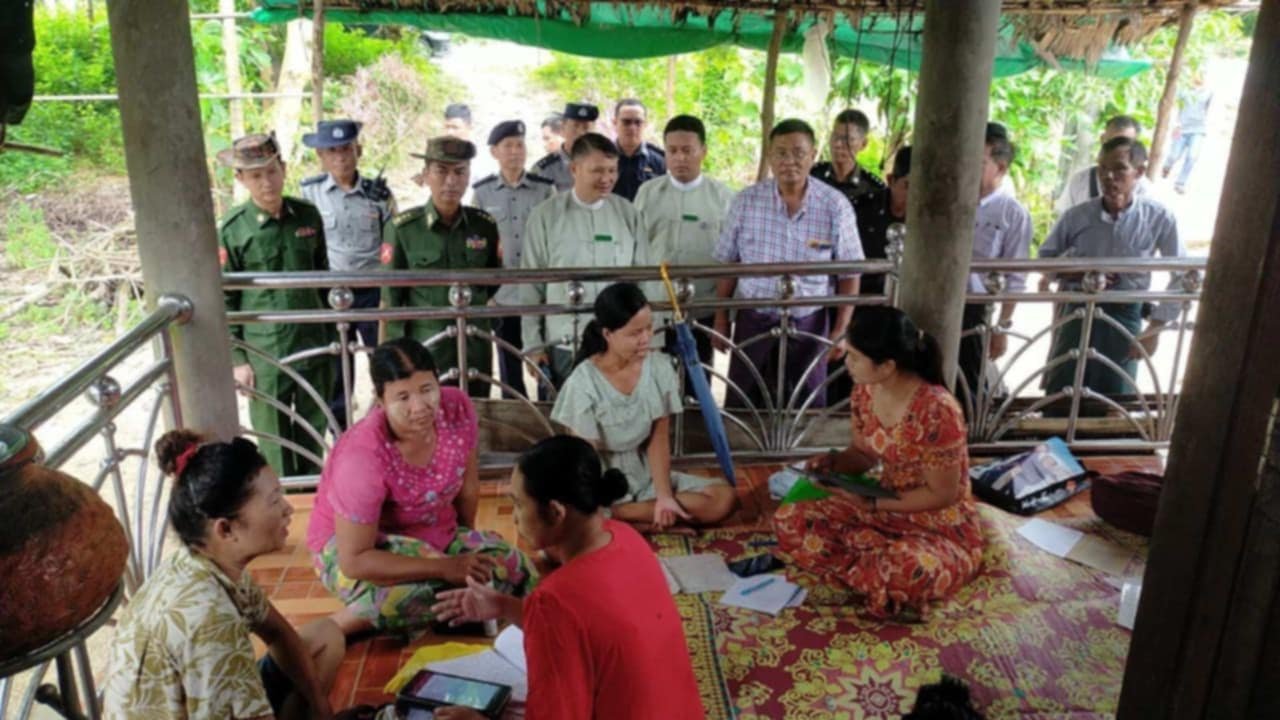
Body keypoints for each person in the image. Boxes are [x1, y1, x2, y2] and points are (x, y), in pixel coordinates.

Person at [429, 435, 705, 720]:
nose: (515, 517)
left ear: (555, 512)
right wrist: (503, 606)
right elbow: (585, 625)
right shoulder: (626, 537)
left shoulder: (554, 601)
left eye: (519, 504)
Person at [105, 430, 344, 720]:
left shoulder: (209, 564)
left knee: (325, 636)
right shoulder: (209, 618)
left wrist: (320, 706)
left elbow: (278, 633)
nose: (288, 509)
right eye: (274, 501)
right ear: (226, 529)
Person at [306, 338, 537, 636]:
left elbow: (468, 488)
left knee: (515, 566)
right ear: (380, 400)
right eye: (402, 397)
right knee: (418, 593)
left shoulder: (456, 409)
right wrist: (447, 568)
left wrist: (464, 545)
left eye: (427, 390)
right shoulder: (362, 455)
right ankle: (344, 624)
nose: (419, 407)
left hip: (432, 532)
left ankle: (448, 608)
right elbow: (354, 560)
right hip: (360, 548)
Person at [772, 307, 984, 620]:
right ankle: (876, 578)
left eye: (855, 357)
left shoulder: (937, 410)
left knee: (908, 568)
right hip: (883, 506)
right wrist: (834, 464)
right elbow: (864, 454)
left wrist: (873, 504)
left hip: (937, 525)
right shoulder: (865, 391)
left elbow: (942, 494)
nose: (847, 362)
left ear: (887, 366)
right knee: (790, 518)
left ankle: (877, 574)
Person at [551, 282, 736, 528]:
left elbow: (658, 439)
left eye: (649, 328)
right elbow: (587, 462)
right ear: (608, 334)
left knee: (724, 498)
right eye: (635, 333)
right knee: (571, 517)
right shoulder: (583, 382)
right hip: (605, 480)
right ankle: (624, 515)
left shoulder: (658, 367)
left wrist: (664, 496)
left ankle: (627, 516)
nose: (646, 338)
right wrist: (595, 502)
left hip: (644, 472)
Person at [713, 118, 863, 409]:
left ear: (813, 155)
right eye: (781, 153)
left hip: (809, 321)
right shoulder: (746, 201)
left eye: (798, 152)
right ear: (769, 156)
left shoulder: (835, 205)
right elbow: (729, 264)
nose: (789, 161)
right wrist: (721, 319)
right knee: (744, 403)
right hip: (753, 318)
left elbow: (850, 272)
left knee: (807, 405)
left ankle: (804, 443)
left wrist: (840, 330)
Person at [218, 132, 333, 478]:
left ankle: (311, 493)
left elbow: (323, 276)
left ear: (283, 169)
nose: (266, 182)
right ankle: (284, 495)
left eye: (271, 171)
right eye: (255, 175)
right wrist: (238, 360)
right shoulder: (234, 229)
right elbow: (225, 299)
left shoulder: (307, 215)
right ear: (241, 179)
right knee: (274, 434)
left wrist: (330, 333)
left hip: (313, 340)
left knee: (314, 426)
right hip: (265, 350)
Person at [1040, 137, 1185, 410]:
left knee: (1115, 398)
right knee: (1064, 389)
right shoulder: (1077, 216)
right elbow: (1045, 259)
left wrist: (1155, 328)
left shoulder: (1158, 217)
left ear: (1139, 172)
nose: (1108, 177)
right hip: (1077, 309)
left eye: (1119, 169)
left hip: (1125, 314)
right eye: (1103, 168)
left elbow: (1183, 275)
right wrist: (1076, 275)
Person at [521, 133, 651, 390]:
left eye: (612, 170)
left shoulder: (628, 214)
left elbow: (645, 282)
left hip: (618, 342)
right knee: (563, 410)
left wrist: (646, 338)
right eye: (597, 171)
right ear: (574, 169)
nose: (607, 179)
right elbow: (530, 286)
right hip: (563, 341)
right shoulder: (545, 216)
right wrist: (533, 345)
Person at [383, 136, 500, 398]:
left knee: (477, 410)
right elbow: (390, 301)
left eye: (460, 172)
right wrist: (388, 361)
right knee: (427, 413)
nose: (451, 181)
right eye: (441, 171)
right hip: (427, 347)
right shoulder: (403, 229)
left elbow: (493, 280)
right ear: (426, 175)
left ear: (468, 176)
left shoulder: (484, 225)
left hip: (475, 344)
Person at [300, 119, 396, 429]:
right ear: (321, 156)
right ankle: (340, 434)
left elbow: (392, 241)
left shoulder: (377, 193)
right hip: (333, 293)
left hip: (372, 292)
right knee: (338, 369)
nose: (340, 157)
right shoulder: (309, 194)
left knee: (384, 363)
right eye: (332, 151)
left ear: (359, 151)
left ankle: (384, 427)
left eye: (346, 149)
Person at [633, 114, 733, 372]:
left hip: (702, 309)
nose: (680, 158)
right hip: (656, 308)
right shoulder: (648, 193)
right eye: (673, 151)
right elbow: (635, 250)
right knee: (655, 379)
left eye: (687, 150)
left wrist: (723, 316)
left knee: (698, 380)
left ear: (703, 151)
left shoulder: (723, 197)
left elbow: (731, 258)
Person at [472, 120, 556, 399]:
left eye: (520, 145)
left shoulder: (544, 190)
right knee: (509, 367)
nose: (515, 151)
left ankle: (548, 413)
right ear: (494, 152)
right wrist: (486, 293)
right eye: (508, 146)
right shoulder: (482, 192)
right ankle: (517, 413)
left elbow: (555, 238)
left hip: (539, 294)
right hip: (503, 296)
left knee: (544, 361)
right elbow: (478, 246)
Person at [957, 122, 1031, 413]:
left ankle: (971, 432)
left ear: (1000, 168)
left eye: (978, 162)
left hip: (977, 309)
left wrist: (1002, 326)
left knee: (969, 382)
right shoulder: (950, 201)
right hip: (939, 300)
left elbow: (1016, 276)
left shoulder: (1012, 214)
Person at [1054, 115, 1151, 216]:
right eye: (1110, 143)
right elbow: (1063, 218)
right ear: (1102, 139)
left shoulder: (1145, 192)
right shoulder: (1080, 182)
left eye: (1123, 144)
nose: (1115, 150)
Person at [811, 108, 886, 207]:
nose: (837, 144)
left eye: (847, 139)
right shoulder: (813, 175)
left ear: (863, 144)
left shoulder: (874, 189)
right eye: (835, 136)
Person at [1162, 73, 1213, 194]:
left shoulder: (1208, 93)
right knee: (1174, 155)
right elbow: (1174, 105)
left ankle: (1180, 183)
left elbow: (1209, 110)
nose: (1197, 80)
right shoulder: (1183, 91)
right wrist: (1175, 124)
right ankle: (1167, 166)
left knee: (1192, 156)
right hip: (1181, 128)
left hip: (1198, 130)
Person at [532, 101, 598, 191]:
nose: (580, 133)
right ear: (563, 128)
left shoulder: (606, 165)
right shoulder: (544, 169)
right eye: (575, 126)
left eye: (586, 127)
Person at [611, 98, 666, 201]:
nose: (632, 128)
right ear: (615, 123)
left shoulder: (660, 162)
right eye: (626, 122)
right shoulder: (601, 158)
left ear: (645, 124)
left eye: (638, 122)